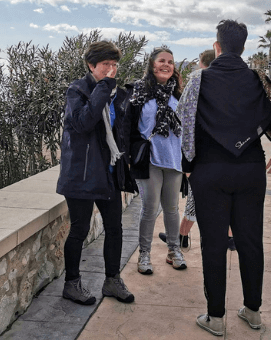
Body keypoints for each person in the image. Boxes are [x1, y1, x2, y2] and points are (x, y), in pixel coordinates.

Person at [177, 19, 271, 336]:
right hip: (250, 169)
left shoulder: (199, 80)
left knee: (214, 243)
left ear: (217, 45)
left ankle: (216, 318)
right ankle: (253, 311)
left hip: (209, 170)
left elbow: (186, 121)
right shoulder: (259, 79)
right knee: (250, 241)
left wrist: (188, 164)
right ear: (244, 47)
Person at [56, 41, 137, 305]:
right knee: (79, 230)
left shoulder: (115, 94)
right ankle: (72, 284)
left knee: (115, 228)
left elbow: (119, 132)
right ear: (92, 66)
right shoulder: (77, 90)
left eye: (115, 65)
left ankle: (112, 281)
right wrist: (103, 88)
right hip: (81, 173)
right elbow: (82, 123)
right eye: (106, 65)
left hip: (108, 172)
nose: (111, 70)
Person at [159, 48, 238, 251]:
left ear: (202, 64)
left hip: (203, 156)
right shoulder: (229, 87)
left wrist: (187, 158)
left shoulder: (198, 82)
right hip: (228, 156)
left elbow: (183, 118)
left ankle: (182, 237)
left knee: (195, 199)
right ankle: (230, 238)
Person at [129, 47, 187, 275]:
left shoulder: (178, 94)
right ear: (152, 65)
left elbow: (187, 128)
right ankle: (144, 254)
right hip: (150, 159)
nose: (166, 65)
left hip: (174, 159)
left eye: (170, 62)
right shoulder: (139, 92)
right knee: (150, 208)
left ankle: (174, 251)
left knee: (172, 209)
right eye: (162, 61)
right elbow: (130, 127)